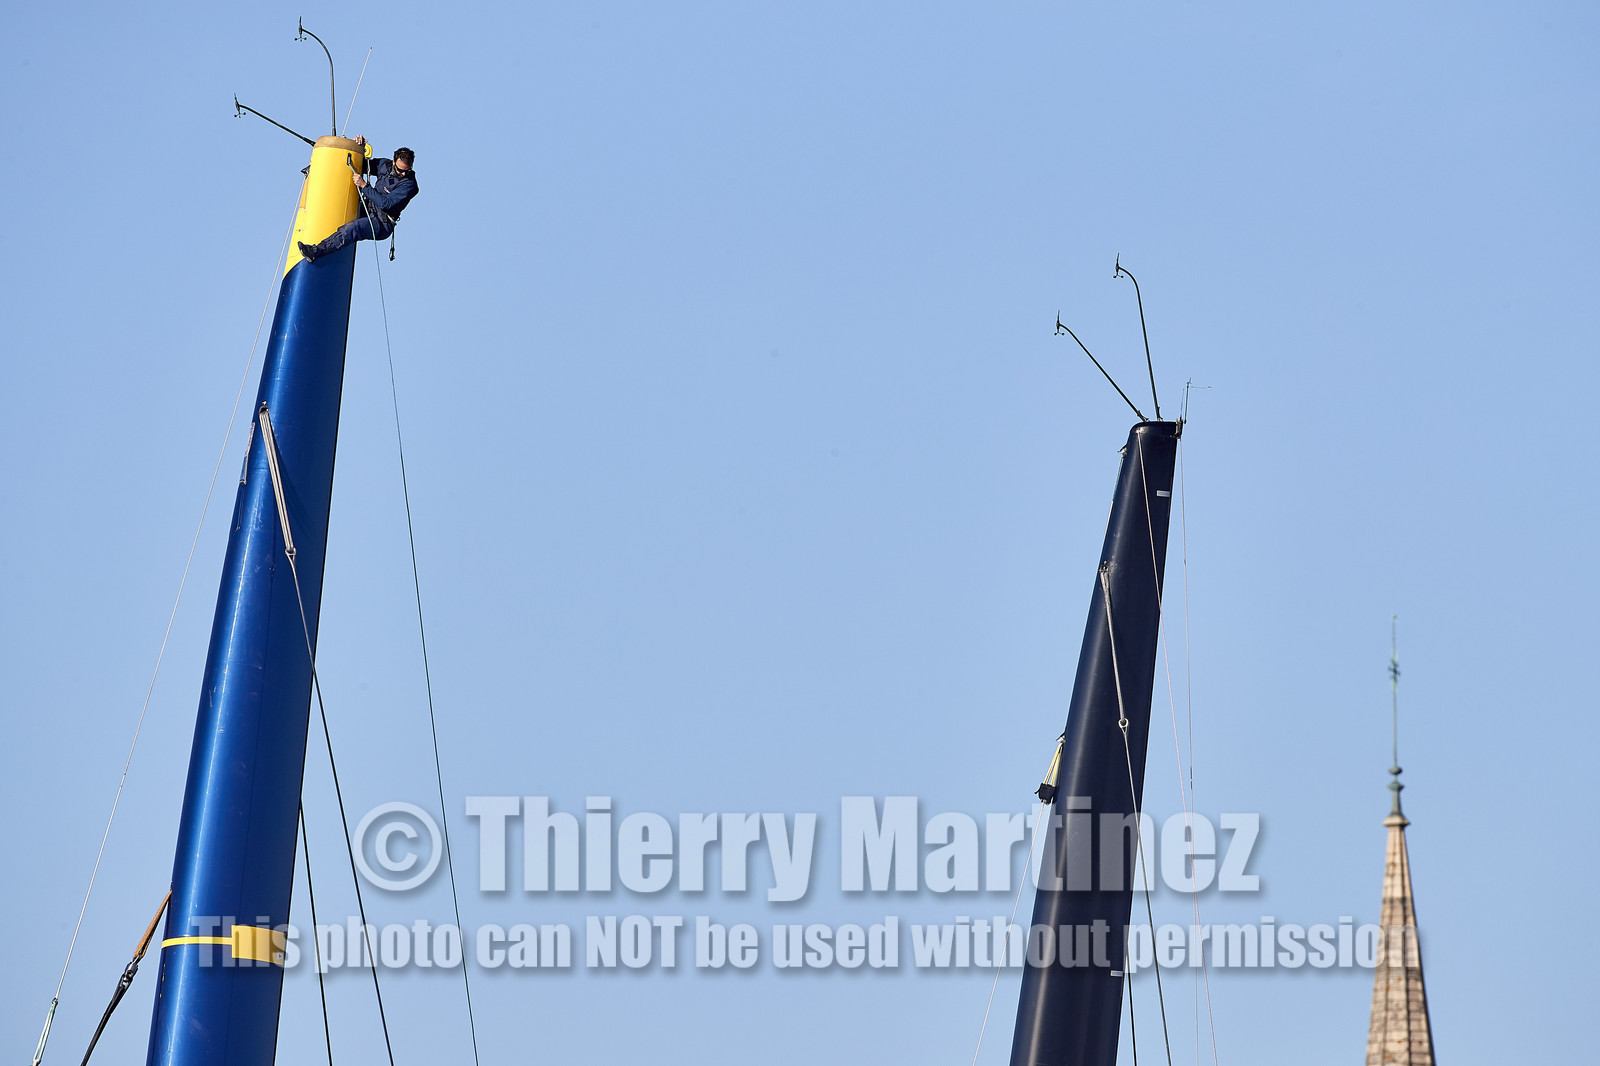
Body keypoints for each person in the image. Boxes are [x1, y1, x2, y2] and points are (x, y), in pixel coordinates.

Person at [298, 137, 417, 261]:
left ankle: (317, 251)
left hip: (382, 222)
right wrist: (358, 148)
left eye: (407, 170)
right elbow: (360, 165)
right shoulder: (385, 165)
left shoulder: (409, 185)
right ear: (394, 162)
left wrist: (364, 185)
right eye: (400, 170)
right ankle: (314, 169)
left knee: (353, 228)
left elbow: (385, 204)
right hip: (368, 208)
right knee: (337, 207)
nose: (403, 174)